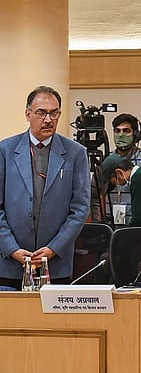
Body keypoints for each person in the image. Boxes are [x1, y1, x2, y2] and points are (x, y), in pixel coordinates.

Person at [0, 86, 90, 288]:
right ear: (28, 114)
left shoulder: (75, 153)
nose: (48, 119)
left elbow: (81, 209)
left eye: (54, 113)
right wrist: (11, 248)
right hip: (9, 262)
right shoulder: (5, 151)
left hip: (55, 262)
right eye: (41, 113)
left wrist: (53, 248)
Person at [105, 113, 141, 225]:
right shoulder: (107, 160)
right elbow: (94, 193)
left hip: (139, 225)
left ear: (135, 135)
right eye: (117, 131)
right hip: (111, 224)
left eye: (126, 131)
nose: (121, 135)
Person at [98, 153, 141, 227]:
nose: (114, 185)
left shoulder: (139, 179)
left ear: (119, 172)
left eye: (111, 181)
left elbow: (139, 219)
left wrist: (125, 234)